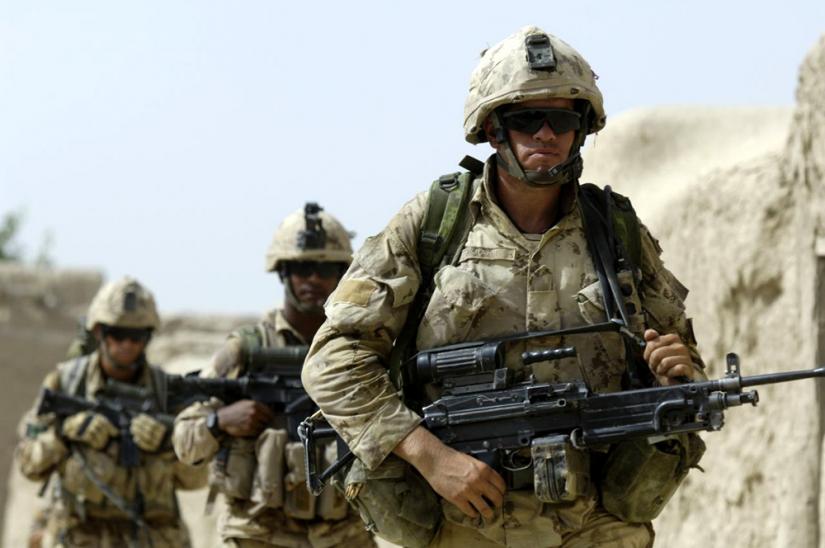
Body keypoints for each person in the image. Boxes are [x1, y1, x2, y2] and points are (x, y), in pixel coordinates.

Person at [302, 26, 706, 548]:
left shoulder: (617, 230)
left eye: (561, 119)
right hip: (463, 523)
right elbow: (333, 358)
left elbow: (684, 361)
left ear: (580, 128)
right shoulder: (433, 223)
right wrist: (431, 457)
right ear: (493, 130)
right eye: (525, 119)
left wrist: (678, 374)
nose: (545, 134)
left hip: (596, 525)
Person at [172, 203, 375, 547]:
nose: (313, 278)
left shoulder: (359, 346)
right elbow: (184, 442)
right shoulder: (248, 349)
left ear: (343, 272)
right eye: (302, 267)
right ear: (283, 272)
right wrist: (220, 421)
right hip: (259, 535)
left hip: (344, 536)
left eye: (325, 268)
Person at [16, 276, 207, 547]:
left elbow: (198, 479)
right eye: (117, 334)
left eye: (136, 336)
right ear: (99, 333)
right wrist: (64, 434)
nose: (127, 344)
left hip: (149, 538)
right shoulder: (66, 385)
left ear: (148, 337)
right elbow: (27, 463)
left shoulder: (167, 392)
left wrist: (169, 444)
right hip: (79, 536)